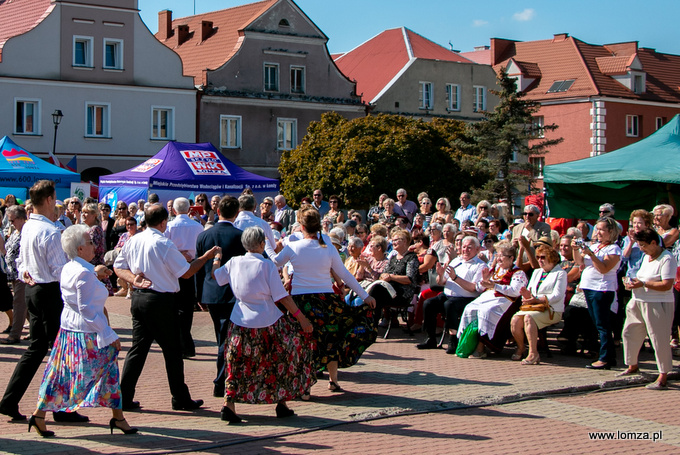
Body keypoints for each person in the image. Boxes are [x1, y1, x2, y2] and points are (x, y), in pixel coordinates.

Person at [28, 225, 138, 438]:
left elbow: (82, 295)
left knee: (61, 374)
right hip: (86, 334)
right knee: (102, 372)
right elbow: (87, 309)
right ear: (79, 249)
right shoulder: (82, 273)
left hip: (71, 331)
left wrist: (95, 272)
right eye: (89, 242)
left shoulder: (71, 268)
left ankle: (40, 415)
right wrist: (108, 334)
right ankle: (117, 417)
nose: (94, 245)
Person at [113, 204, 219, 411]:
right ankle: (179, 397)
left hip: (140, 298)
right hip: (160, 300)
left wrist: (134, 279)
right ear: (163, 222)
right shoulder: (163, 243)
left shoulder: (134, 240)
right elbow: (186, 272)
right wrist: (206, 257)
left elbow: (118, 266)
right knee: (172, 351)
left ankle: (124, 396)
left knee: (138, 348)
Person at [0, 180, 88, 423]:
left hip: (33, 289)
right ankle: (61, 409)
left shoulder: (28, 226)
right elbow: (60, 270)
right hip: (49, 292)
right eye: (55, 198)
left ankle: (9, 400)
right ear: (49, 199)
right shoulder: (49, 231)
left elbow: (19, 259)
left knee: (37, 348)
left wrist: (24, 272)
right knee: (62, 350)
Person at [211, 227, 315, 423]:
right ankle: (281, 402)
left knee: (236, 363)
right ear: (261, 244)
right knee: (278, 359)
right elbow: (282, 297)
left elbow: (217, 276)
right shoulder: (266, 266)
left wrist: (216, 258)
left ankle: (229, 404)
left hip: (240, 321)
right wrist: (301, 318)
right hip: (268, 321)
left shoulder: (234, 262)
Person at [271, 206, 377, 392]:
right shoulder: (327, 247)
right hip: (326, 299)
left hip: (301, 302)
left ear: (302, 226)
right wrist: (365, 296)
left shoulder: (293, 246)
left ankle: (306, 387)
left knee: (304, 343)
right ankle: (333, 380)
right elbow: (345, 274)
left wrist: (268, 247)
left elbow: (275, 263)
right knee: (331, 339)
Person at [195, 196, 247, 397]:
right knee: (226, 339)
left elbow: (199, 268)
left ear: (218, 212)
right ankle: (222, 381)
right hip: (233, 293)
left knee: (222, 336)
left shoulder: (204, 236)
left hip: (211, 293)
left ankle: (224, 379)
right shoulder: (240, 236)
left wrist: (199, 295)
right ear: (236, 213)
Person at [619, 228, 677, 389]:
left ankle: (663, 376)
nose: (642, 249)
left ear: (654, 242)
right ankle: (632, 365)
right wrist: (631, 282)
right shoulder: (646, 257)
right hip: (637, 299)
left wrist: (643, 284)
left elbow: (666, 285)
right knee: (629, 332)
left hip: (657, 303)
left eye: (644, 245)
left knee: (659, 339)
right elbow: (642, 277)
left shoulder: (667, 258)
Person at [458, 240, 528, 357]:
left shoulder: (518, 273)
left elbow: (515, 291)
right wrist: (484, 281)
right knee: (469, 308)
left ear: (511, 258)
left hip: (506, 301)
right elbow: (480, 287)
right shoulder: (496, 269)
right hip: (489, 298)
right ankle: (468, 344)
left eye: (502, 256)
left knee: (487, 311)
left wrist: (495, 286)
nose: (498, 259)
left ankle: (481, 348)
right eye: (497, 255)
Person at [417, 236, 487, 353]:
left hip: (466, 298)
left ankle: (453, 339)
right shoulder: (456, 261)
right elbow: (441, 282)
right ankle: (430, 338)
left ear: (477, 249)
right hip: (448, 295)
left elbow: (473, 288)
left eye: (469, 248)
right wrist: (440, 274)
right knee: (429, 303)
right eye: (464, 247)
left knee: (450, 305)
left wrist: (455, 277)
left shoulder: (480, 266)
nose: (466, 250)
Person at [572, 217, 622, 370]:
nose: (598, 233)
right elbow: (579, 262)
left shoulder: (613, 249)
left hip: (602, 288)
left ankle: (605, 357)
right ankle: (609, 356)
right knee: (597, 322)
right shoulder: (595, 245)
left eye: (602, 230)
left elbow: (604, 268)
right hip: (589, 287)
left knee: (602, 324)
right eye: (597, 229)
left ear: (610, 232)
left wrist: (591, 254)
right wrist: (576, 249)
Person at [511, 245, 567, 365]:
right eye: (538, 257)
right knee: (515, 320)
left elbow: (557, 295)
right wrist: (526, 295)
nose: (540, 260)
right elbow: (530, 290)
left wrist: (536, 299)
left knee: (528, 318)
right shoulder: (537, 272)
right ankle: (521, 347)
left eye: (543, 257)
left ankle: (533, 353)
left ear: (551, 258)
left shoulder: (560, 273)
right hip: (533, 307)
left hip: (551, 309)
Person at [164, 197, 205, 359]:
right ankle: (184, 343)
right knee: (187, 308)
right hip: (191, 267)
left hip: (173, 269)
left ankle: (181, 343)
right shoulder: (197, 226)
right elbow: (200, 248)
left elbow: (164, 245)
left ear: (173, 210)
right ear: (189, 210)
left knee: (175, 307)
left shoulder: (169, 226)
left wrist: (178, 254)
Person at [1, 205, 27, 344]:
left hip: (21, 275)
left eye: (12, 220)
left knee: (19, 304)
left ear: (21, 218)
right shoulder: (15, 231)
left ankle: (15, 335)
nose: (11, 223)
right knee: (24, 305)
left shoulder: (26, 232)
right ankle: (34, 332)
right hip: (12, 274)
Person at [234, 194, 279, 258]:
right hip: (260, 261)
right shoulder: (263, 224)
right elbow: (273, 246)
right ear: (255, 207)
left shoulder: (233, 224)